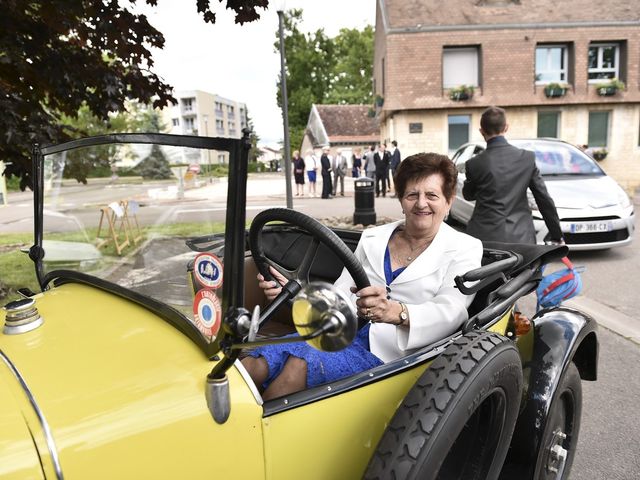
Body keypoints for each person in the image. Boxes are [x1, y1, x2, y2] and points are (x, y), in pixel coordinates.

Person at [241, 152, 483, 400]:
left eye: (432, 195)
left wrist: (396, 312)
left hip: (395, 357)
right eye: (412, 194)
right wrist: (294, 293)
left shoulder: (465, 248)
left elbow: (452, 310)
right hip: (340, 335)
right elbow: (342, 295)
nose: (421, 203)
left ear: (449, 201)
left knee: (298, 364)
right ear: (401, 199)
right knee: (254, 364)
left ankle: (253, 435)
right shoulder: (372, 238)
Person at [462, 106, 563, 244]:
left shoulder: (474, 163)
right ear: (506, 127)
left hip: (484, 238)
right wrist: (556, 234)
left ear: (481, 131)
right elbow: (543, 199)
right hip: (521, 237)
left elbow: (468, 195)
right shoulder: (526, 158)